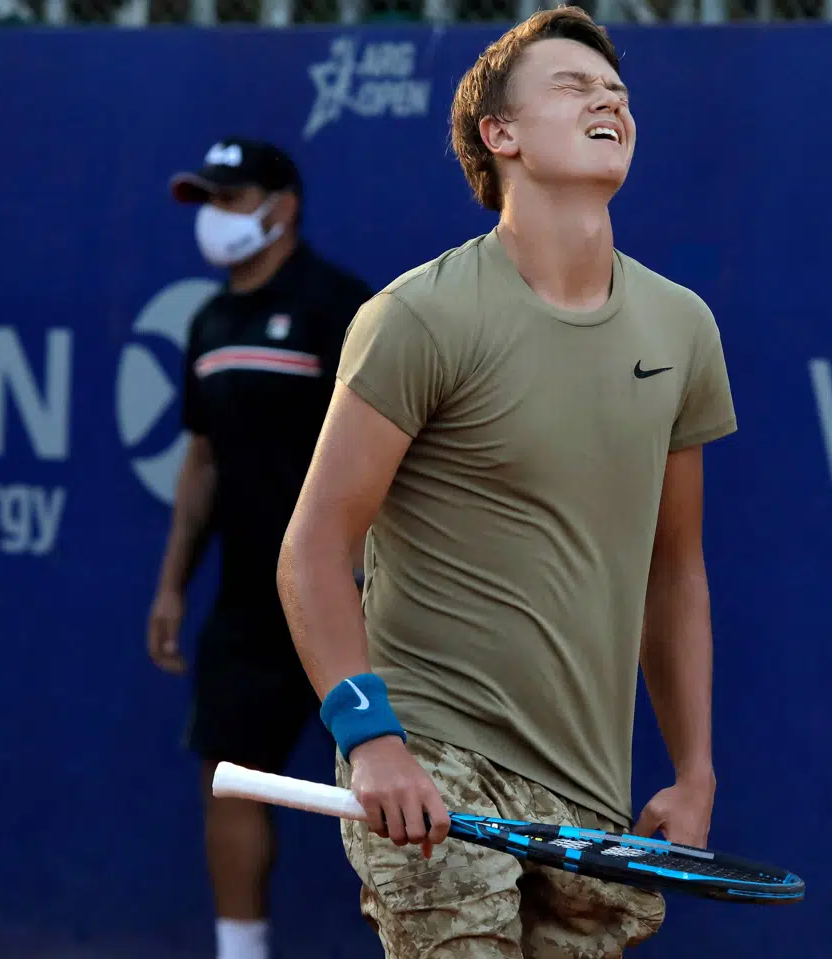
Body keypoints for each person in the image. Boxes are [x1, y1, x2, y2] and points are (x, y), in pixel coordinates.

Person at [275, 7, 738, 958]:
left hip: (588, 792)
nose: (609, 100)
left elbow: (674, 570)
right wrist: (372, 739)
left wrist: (695, 772)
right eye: (573, 86)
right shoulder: (417, 318)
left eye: (616, 91)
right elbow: (313, 548)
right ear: (501, 134)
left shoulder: (683, 327)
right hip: (435, 764)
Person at [146, 136, 374, 959]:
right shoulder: (209, 321)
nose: (215, 215)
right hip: (248, 600)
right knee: (231, 778)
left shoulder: (341, 308)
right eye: (207, 199)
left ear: (284, 207)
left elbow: (392, 451)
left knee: (396, 787)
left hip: (348, 598)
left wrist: (367, 578)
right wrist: (173, 584)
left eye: (231, 198)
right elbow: (202, 461)